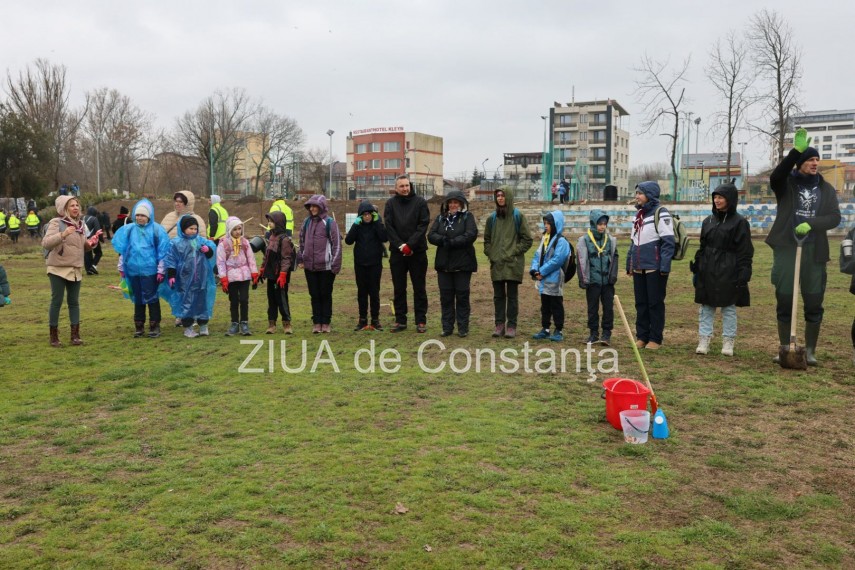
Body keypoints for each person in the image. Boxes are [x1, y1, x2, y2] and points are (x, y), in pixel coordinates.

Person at [767, 128, 841, 366]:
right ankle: (785, 349)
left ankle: (809, 351)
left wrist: (811, 223)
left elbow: (834, 217)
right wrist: (794, 152)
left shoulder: (826, 189)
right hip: (787, 249)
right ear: (800, 163)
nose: (815, 163)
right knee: (785, 299)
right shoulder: (786, 185)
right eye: (810, 159)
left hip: (814, 252)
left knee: (813, 300)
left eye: (817, 159)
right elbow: (775, 176)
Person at [691, 184, 754, 356]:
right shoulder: (708, 221)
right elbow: (703, 246)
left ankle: (728, 341)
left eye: (721, 197)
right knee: (706, 306)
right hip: (708, 268)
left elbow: (745, 250)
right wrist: (697, 265)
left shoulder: (740, 222)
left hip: (729, 268)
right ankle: (704, 339)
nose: (717, 200)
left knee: (728, 307)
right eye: (715, 197)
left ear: (730, 199)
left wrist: (744, 271)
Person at [42, 196, 101, 347]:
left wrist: (91, 243)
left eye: (77, 205)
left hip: (75, 268)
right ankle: (53, 336)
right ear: (64, 208)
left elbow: (82, 246)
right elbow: (46, 243)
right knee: (57, 301)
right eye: (72, 206)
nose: (75, 208)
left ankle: (75, 335)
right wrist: (63, 234)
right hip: (58, 268)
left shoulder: (80, 224)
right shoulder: (56, 222)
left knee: (74, 302)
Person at [112, 199, 171, 339]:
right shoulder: (129, 230)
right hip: (133, 271)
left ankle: (154, 325)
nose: (140, 218)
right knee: (138, 298)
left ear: (149, 216)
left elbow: (162, 252)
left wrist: (161, 270)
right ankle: (139, 325)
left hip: (150, 271)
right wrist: (121, 268)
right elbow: (124, 250)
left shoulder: (156, 230)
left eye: (143, 215)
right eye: (137, 215)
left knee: (152, 298)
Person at [626, 181, 675, 350]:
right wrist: (630, 263)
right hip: (639, 266)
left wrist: (664, 265)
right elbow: (633, 242)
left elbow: (668, 242)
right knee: (641, 303)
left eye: (640, 193)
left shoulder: (661, 213)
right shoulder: (638, 215)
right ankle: (642, 336)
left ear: (650, 195)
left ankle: (655, 338)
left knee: (655, 303)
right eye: (637, 193)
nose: (637, 196)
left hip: (655, 267)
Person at [484, 187, 533, 339]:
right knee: (498, 296)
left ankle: (511, 325)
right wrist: (492, 253)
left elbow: (527, 239)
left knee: (512, 296)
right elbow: (486, 241)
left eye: (502, 195)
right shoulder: (491, 219)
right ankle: (499, 325)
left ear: (508, 197)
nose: (500, 198)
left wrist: (514, 252)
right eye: (497, 195)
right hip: (497, 263)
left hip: (513, 264)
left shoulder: (518, 216)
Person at [428, 190, 478, 337]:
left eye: (456, 202)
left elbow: (470, 234)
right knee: (446, 297)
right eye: (450, 202)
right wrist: (444, 240)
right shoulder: (441, 218)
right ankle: (447, 327)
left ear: (461, 203)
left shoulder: (468, 217)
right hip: (444, 264)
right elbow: (431, 235)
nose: (453, 205)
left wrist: (453, 242)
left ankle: (463, 327)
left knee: (462, 296)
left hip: (463, 264)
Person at [384, 174, 430, 333]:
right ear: (396, 188)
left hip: (417, 252)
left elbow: (423, 225)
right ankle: (400, 320)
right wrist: (400, 246)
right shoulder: (390, 204)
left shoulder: (420, 203)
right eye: (401, 186)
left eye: (407, 185)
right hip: (398, 253)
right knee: (399, 287)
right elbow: (389, 227)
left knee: (419, 287)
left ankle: (421, 320)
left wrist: (410, 245)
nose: (405, 188)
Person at [163, 216, 217, 338]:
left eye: (195, 228)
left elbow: (211, 254)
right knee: (186, 302)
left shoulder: (201, 241)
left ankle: (203, 325)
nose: (193, 231)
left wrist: (207, 250)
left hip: (201, 279)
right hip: (185, 280)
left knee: (202, 301)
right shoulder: (176, 243)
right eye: (190, 228)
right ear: (183, 229)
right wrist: (171, 276)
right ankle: (188, 327)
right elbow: (171, 260)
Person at [298, 194, 342, 333]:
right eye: (311, 206)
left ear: (321, 207)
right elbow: (301, 242)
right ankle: (317, 322)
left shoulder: (330, 223)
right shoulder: (306, 223)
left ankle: (326, 322)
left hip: (326, 267)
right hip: (310, 267)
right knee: (314, 295)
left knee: (325, 294)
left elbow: (337, 245)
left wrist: (335, 265)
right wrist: (301, 258)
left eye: (315, 206)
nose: (312, 208)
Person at [345, 200, 388, 331]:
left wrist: (377, 223)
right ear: (360, 216)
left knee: (374, 292)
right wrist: (355, 225)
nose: (367, 216)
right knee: (362, 293)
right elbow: (348, 241)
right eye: (364, 214)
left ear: (373, 214)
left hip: (375, 264)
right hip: (360, 265)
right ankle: (362, 319)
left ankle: (375, 319)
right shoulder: (358, 226)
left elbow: (384, 238)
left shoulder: (376, 224)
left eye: (369, 214)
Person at [577, 209, 619, 346]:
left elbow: (614, 258)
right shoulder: (585, 240)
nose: (602, 226)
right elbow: (581, 260)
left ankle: (606, 334)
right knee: (592, 308)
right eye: (599, 223)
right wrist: (584, 279)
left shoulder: (610, 240)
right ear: (593, 224)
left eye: (604, 224)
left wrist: (612, 277)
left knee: (608, 308)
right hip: (593, 282)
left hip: (607, 282)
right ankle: (593, 333)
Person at [530, 210, 570, 342]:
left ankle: (559, 330)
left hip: (555, 278)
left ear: (555, 224)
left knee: (556, 304)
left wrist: (541, 272)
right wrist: (534, 269)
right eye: (544, 223)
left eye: (548, 223)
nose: (546, 226)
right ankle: (545, 329)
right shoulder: (545, 238)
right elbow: (537, 255)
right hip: (544, 279)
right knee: (545, 305)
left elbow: (557, 260)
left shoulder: (561, 241)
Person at [216, 216, 259, 336]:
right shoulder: (223, 244)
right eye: (235, 229)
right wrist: (223, 278)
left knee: (244, 299)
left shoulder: (244, 242)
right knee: (233, 300)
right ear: (230, 230)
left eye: (239, 229)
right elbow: (220, 262)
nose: (238, 232)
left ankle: (244, 323)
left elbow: (251, 258)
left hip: (244, 275)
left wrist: (254, 273)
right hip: (231, 276)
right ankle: (234, 323)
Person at [261, 211, 295, 334]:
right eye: (268, 221)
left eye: (271, 221)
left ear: (278, 223)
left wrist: (283, 274)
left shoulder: (284, 239)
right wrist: (262, 267)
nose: (269, 224)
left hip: (280, 275)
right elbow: (267, 254)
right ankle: (271, 323)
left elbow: (287, 258)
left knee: (282, 298)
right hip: (271, 274)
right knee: (271, 299)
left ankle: (287, 324)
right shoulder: (271, 236)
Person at [84, 206, 103, 275]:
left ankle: (88, 270)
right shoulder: (94, 219)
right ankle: (93, 266)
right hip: (93, 240)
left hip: (83, 239)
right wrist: (101, 239)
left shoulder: (82, 218)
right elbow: (98, 230)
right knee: (98, 253)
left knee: (87, 255)